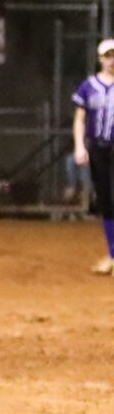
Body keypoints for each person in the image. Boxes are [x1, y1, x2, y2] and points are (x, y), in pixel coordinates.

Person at [72, 38, 114, 273]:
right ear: (100, 59)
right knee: (106, 201)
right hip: (98, 147)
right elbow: (79, 119)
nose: (111, 60)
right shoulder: (89, 86)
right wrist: (79, 146)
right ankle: (112, 254)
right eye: (107, 56)